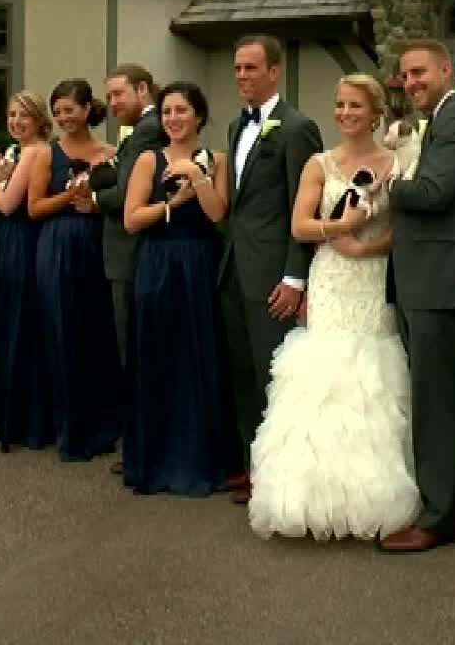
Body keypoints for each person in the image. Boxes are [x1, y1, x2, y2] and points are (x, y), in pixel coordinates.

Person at [248, 74, 420, 540]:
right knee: (325, 378)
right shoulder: (320, 163)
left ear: (375, 112)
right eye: (340, 104)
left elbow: (404, 228)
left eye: (355, 106)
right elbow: (299, 225)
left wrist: (367, 247)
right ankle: (313, 495)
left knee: (372, 376)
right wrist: (338, 228)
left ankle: (378, 492)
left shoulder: (398, 163)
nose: (345, 113)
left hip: (374, 277)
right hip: (330, 277)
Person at [378, 39, 455, 552]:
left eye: (420, 72)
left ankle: (438, 517)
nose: (411, 82)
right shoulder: (435, 122)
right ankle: (447, 498)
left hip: (440, 284)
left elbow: (432, 193)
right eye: (406, 75)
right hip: (423, 281)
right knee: (432, 397)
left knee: (436, 401)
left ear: (447, 70)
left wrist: (386, 183)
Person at [219, 34, 323, 504]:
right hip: (234, 269)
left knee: (273, 375)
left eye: (252, 68)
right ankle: (251, 463)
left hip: (272, 275)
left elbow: (304, 205)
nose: (242, 76)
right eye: (238, 68)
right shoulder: (235, 126)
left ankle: (281, 475)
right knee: (242, 374)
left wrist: (295, 277)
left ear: (275, 71)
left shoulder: (297, 128)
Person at [120, 81, 234, 496]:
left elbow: (218, 213)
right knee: (159, 355)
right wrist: (174, 202)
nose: (173, 119)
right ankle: (157, 459)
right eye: (167, 111)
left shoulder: (218, 160)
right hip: (158, 263)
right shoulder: (149, 159)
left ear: (199, 115)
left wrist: (198, 178)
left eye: (181, 110)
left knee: (200, 356)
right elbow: (131, 220)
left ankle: (201, 457)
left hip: (201, 263)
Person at [29, 79, 122, 462]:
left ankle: (105, 424)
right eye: (58, 112)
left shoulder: (111, 153)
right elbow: (35, 208)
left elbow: (120, 202)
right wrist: (71, 195)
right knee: (64, 332)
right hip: (59, 248)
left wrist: (96, 201)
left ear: (86, 110)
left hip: (98, 247)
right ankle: (71, 430)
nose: (64, 117)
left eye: (70, 109)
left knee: (99, 333)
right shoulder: (47, 155)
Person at [98, 63, 163, 476]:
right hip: (128, 252)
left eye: (117, 94)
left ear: (142, 89)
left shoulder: (148, 130)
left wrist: (90, 194)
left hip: (132, 252)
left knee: (135, 351)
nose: (111, 103)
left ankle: (141, 444)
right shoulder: (137, 131)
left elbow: (126, 194)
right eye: (108, 96)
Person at [0, 91, 53, 452]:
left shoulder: (34, 151)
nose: (15, 122)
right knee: (17, 324)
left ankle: (25, 418)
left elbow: (8, 204)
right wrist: (2, 173)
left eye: (23, 115)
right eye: (11, 115)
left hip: (20, 242)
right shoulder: (22, 152)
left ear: (39, 119)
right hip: (11, 241)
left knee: (19, 325)